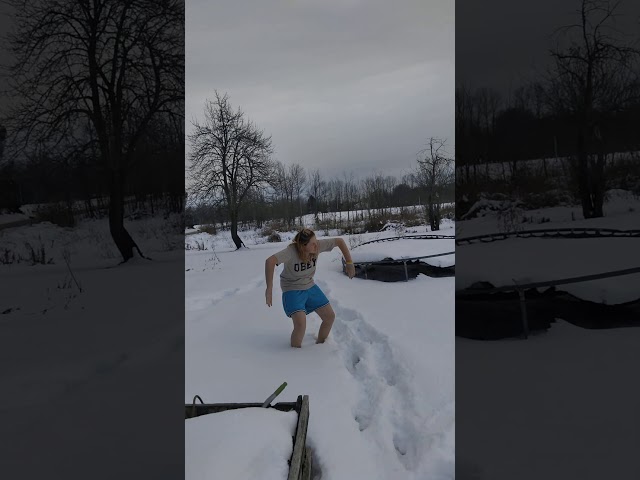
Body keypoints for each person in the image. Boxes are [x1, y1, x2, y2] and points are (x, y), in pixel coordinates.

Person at [264, 228, 356, 348]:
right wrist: (269, 288)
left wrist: (349, 263)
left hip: (309, 285)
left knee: (329, 317)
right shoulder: (291, 251)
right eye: (312, 244)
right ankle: (294, 354)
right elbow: (270, 261)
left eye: (316, 241)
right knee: (301, 325)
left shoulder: (317, 246)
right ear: (302, 246)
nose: (316, 245)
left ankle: (321, 345)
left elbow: (339, 241)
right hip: (291, 288)